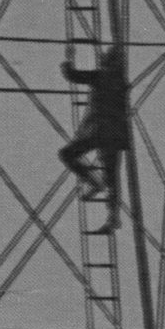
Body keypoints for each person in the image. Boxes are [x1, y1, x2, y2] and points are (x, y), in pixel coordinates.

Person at [58, 42, 130, 229]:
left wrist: (68, 59)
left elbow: (72, 75)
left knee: (67, 154)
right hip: (116, 135)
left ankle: (93, 182)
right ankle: (113, 216)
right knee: (112, 176)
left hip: (97, 131)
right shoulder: (121, 81)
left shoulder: (101, 75)